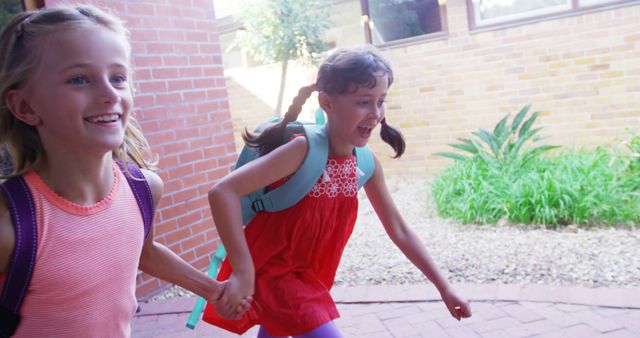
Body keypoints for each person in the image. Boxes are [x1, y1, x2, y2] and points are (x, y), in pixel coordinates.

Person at [0, 5, 247, 337]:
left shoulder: (143, 189)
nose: (109, 94)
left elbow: (142, 251)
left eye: (118, 77)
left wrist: (212, 290)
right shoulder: (12, 223)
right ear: (26, 107)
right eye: (79, 79)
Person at [204, 45, 472, 337]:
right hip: (273, 271)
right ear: (327, 103)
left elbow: (398, 228)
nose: (375, 114)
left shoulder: (366, 163)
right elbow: (223, 193)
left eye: (381, 101)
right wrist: (244, 272)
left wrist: (444, 287)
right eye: (363, 102)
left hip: (309, 275)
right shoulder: (302, 150)